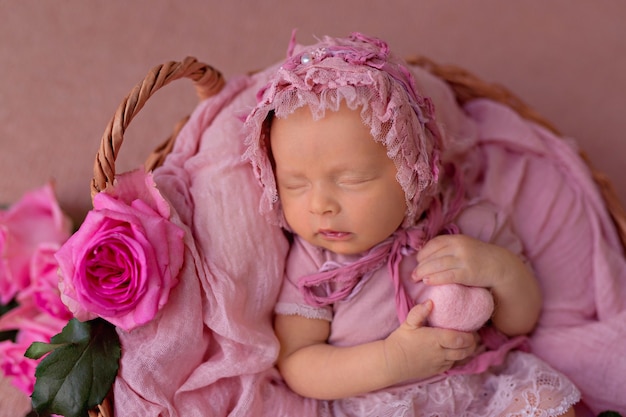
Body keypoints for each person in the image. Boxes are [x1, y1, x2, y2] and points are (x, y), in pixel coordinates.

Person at [243, 32, 581, 417]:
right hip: (386, 401)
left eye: (351, 180)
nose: (320, 205)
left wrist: (497, 269)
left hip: (480, 385)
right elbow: (299, 363)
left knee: (550, 407)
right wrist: (391, 359)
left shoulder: (463, 221)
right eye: (295, 185)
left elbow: (521, 321)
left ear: (411, 170)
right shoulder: (314, 262)